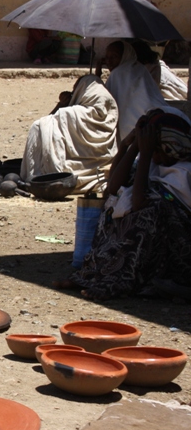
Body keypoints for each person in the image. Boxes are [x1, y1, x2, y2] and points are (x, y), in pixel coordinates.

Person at [59, 109, 191, 300]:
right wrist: (128, 147)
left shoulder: (184, 172)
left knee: (147, 213)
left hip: (178, 253)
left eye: (155, 149)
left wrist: (145, 155)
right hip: (157, 245)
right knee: (112, 206)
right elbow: (112, 188)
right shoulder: (156, 163)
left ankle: (122, 281)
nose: (153, 155)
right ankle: (97, 275)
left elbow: (139, 203)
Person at [21, 75, 118, 193]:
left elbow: (43, 124)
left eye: (75, 90)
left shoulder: (69, 113)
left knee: (38, 126)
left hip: (65, 173)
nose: (73, 93)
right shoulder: (111, 115)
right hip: (99, 173)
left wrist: (61, 105)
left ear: (82, 91)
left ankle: (38, 178)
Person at [96, 40, 172, 142]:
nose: (109, 61)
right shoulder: (140, 68)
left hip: (131, 131)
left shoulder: (117, 74)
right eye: (106, 58)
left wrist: (96, 76)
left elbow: (101, 101)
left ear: (125, 56)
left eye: (114, 57)